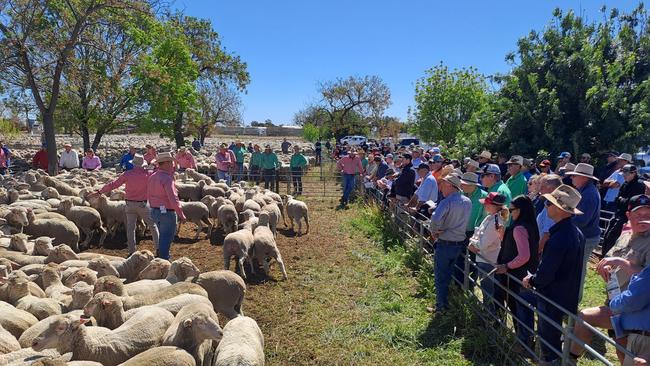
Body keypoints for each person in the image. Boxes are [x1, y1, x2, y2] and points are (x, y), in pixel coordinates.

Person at [570, 194, 650, 363]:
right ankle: (570, 357)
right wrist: (606, 266)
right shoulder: (625, 236)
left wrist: (621, 262)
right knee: (620, 347)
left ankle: (569, 358)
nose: (643, 218)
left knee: (587, 317)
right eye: (638, 214)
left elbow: (646, 278)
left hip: (635, 308)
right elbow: (608, 258)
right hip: (615, 301)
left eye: (647, 214)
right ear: (629, 215)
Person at [517, 185, 584, 363]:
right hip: (565, 293)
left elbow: (546, 272)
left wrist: (532, 280)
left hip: (552, 296)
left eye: (549, 203)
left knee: (549, 337)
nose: (545, 206)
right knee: (552, 332)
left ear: (559, 208)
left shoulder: (559, 237)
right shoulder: (575, 232)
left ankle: (551, 361)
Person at [93, 154, 160, 256]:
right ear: (143, 165)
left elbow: (113, 184)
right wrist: (156, 164)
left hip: (129, 204)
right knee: (152, 226)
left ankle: (132, 250)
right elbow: (160, 173)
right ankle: (158, 249)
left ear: (133, 164)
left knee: (130, 228)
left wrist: (99, 192)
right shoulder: (149, 174)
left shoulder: (127, 174)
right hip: (143, 204)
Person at [494, 196, 540, 331]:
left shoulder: (519, 228)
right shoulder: (530, 225)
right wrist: (503, 235)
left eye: (511, 209)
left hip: (516, 276)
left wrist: (507, 266)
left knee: (516, 308)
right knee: (523, 309)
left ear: (520, 210)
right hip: (525, 274)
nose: (510, 212)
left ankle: (522, 340)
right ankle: (525, 338)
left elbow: (524, 255)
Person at [428, 173, 472, 313]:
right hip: (459, 243)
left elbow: (435, 219)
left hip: (445, 242)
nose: (441, 187)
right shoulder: (467, 201)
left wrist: (435, 231)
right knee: (452, 273)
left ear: (449, 185)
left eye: (443, 184)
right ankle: (451, 303)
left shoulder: (446, 202)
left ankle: (441, 306)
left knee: (441, 275)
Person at [566, 163, 602, 297]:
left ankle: (574, 300)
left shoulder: (589, 194)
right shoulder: (585, 191)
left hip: (586, 237)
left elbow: (582, 220)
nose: (572, 178)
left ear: (584, 178)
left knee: (578, 271)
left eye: (574, 176)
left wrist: (564, 222)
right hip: (585, 236)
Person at [469, 192, 508, 314]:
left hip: (487, 259)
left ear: (493, 206)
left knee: (488, 291)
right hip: (484, 258)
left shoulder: (496, 221)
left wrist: (473, 244)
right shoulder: (490, 218)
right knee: (486, 289)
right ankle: (488, 316)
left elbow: (483, 244)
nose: (484, 206)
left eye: (487, 204)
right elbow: (477, 234)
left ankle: (489, 317)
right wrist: (474, 242)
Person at [147, 152, 186, 260]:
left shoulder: (152, 176)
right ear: (165, 163)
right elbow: (173, 198)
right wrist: (181, 214)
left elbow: (149, 194)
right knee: (167, 236)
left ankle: (161, 255)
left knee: (162, 235)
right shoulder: (167, 179)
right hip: (167, 212)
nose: (172, 165)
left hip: (155, 211)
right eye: (170, 162)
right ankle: (164, 260)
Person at [601, 164, 647, 257]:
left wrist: (621, 200)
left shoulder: (639, 185)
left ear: (633, 173)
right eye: (623, 173)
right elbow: (619, 199)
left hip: (627, 216)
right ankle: (604, 257)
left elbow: (632, 203)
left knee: (615, 237)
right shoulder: (625, 183)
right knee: (608, 234)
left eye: (627, 173)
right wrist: (621, 200)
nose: (624, 176)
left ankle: (610, 259)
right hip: (618, 213)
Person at [535, 174, 563, 253]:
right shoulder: (547, 202)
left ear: (553, 189)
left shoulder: (553, 207)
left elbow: (547, 234)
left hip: (545, 250)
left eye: (543, 186)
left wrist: (536, 252)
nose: (540, 188)